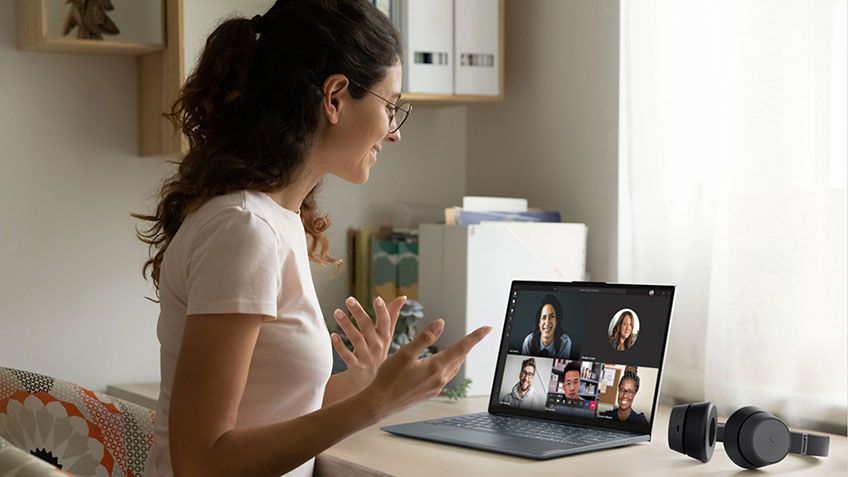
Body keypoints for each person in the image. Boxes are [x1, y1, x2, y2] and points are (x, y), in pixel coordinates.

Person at [133, 1, 491, 475]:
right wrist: (375, 405)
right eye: (391, 106)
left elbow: (276, 410)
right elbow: (202, 462)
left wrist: (364, 384)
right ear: (335, 97)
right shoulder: (245, 229)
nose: (394, 134)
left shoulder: (276, 220)